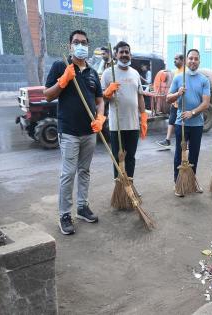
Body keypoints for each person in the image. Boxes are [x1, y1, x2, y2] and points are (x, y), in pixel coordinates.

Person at [44, 30, 105, 235]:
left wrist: (100, 118)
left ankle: (82, 207)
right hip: (69, 131)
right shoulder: (61, 66)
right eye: (76, 42)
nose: (81, 45)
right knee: (68, 173)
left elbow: (99, 100)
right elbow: (47, 95)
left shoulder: (92, 72)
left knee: (85, 171)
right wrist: (62, 81)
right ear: (70, 46)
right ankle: (64, 214)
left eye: (84, 42)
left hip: (89, 132)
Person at [101, 41, 147, 183]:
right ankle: (119, 189)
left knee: (131, 157)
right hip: (117, 125)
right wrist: (107, 92)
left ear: (130, 55)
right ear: (115, 55)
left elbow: (140, 96)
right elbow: (101, 98)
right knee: (117, 157)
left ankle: (130, 186)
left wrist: (144, 116)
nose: (124, 54)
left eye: (127, 52)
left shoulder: (135, 73)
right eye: (121, 52)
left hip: (133, 124)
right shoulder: (108, 73)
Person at [167, 49, 210, 196]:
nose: (193, 61)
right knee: (180, 153)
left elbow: (205, 103)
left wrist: (192, 113)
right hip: (181, 124)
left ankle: (191, 181)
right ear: (186, 60)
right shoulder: (179, 78)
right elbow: (168, 98)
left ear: (199, 61)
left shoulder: (204, 80)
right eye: (190, 58)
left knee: (194, 154)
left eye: (196, 59)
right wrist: (178, 93)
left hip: (197, 124)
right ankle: (177, 183)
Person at [156, 53, 184, 148]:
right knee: (171, 121)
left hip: (183, 104)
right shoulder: (176, 72)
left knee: (183, 124)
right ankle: (167, 140)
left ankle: (185, 143)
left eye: (176, 59)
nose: (174, 61)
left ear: (182, 60)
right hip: (175, 101)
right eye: (174, 59)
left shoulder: (186, 72)